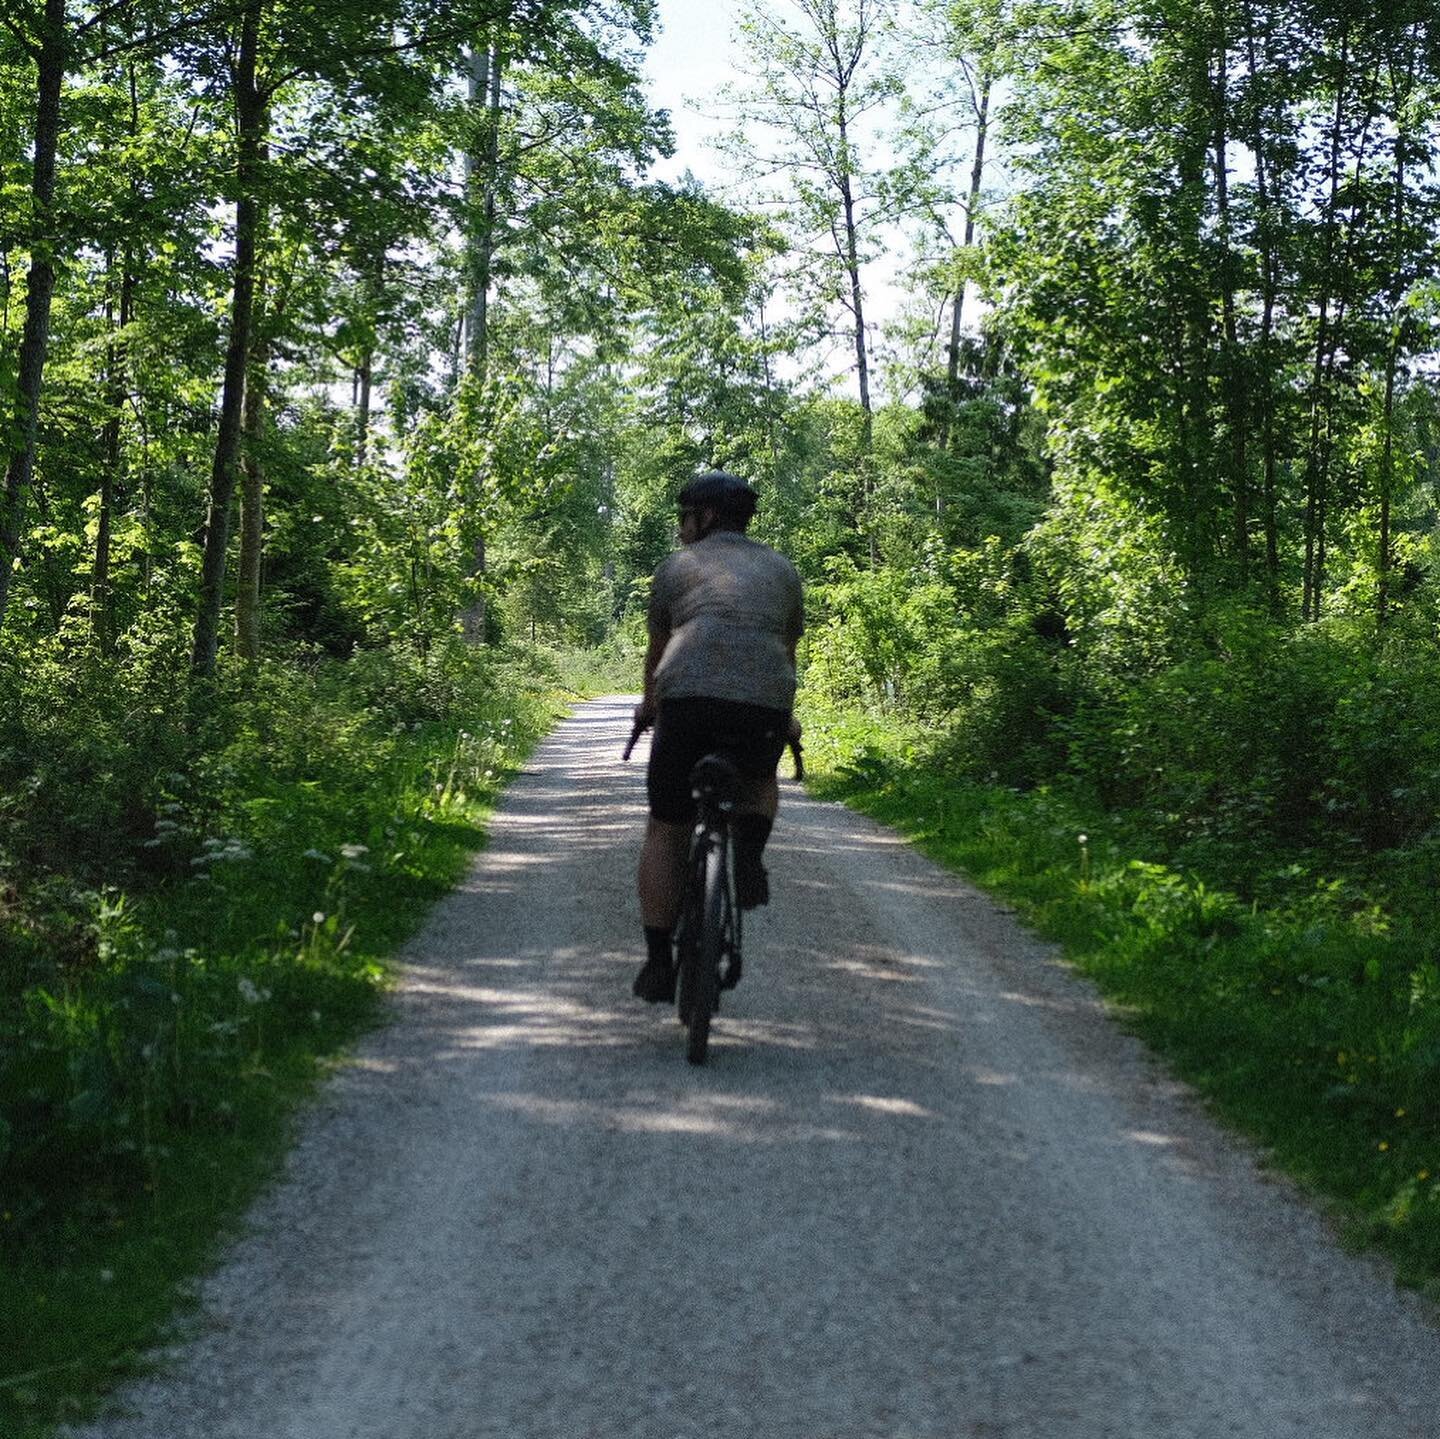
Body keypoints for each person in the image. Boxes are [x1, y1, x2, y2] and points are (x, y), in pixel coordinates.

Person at [630, 471, 805, 1003]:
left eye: (685, 516)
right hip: (762, 706)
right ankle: (748, 855)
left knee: (666, 827)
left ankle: (660, 961)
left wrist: (649, 708)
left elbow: (659, 655)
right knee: (758, 776)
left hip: (688, 705)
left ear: (704, 517)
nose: (682, 528)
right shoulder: (782, 570)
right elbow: (784, 652)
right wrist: (785, 716)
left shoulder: (676, 569)